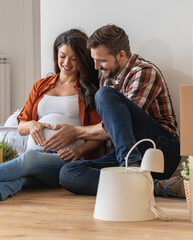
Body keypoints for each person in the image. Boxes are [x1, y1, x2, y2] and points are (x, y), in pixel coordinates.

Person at [0, 29, 106, 201]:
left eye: (74, 58)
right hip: (34, 151)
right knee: (22, 178)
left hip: (65, 159)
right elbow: (21, 126)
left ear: (83, 58)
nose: (67, 62)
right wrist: (32, 125)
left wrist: (79, 150)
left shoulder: (90, 89)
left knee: (30, 159)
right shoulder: (41, 85)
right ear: (56, 54)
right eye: (62, 56)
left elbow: (98, 133)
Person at [42, 24, 181, 196]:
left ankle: (130, 167)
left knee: (104, 95)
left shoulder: (144, 72)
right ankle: (154, 186)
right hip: (127, 153)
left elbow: (121, 125)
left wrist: (76, 132)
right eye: (94, 60)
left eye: (101, 60)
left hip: (159, 150)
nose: (96, 66)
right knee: (68, 173)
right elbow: (118, 133)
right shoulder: (106, 75)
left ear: (121, 55)